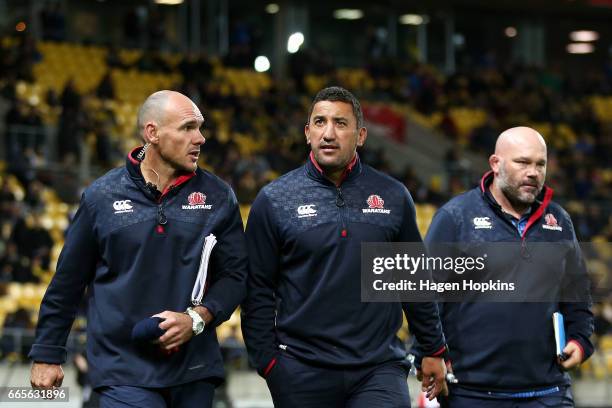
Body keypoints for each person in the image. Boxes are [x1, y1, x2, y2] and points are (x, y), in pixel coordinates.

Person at [29, 90, 247, 407]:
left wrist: (196, 319)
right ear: (152, 132)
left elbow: (236, 276)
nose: (199, 138)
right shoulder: (101, 197)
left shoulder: (218, 196)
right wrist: (47, 353)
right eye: (188, 128)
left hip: (194, 370)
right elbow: (69, 281)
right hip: (121, 371)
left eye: (200, 128)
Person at [241, 86, 449, 407]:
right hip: (301, 369)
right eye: (320, 122)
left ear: (361, 135)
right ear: (308, 132)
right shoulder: (274, 200)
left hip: (378, 368)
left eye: (340, 123)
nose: (328, 133)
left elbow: (414, 283)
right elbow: (256, 290)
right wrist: (269, 364)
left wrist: (433, 350)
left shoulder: (393, 196)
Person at [415, 126, 594, 407]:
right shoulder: (456, 217)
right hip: (472, 393)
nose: (533, 172)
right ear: (495, 164)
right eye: (523, 162)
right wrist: (429, 352)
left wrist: (580, 340)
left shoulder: (559, 221)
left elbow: (578, 295)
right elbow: (423, 294)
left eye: (540, 164)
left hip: (549, 392)